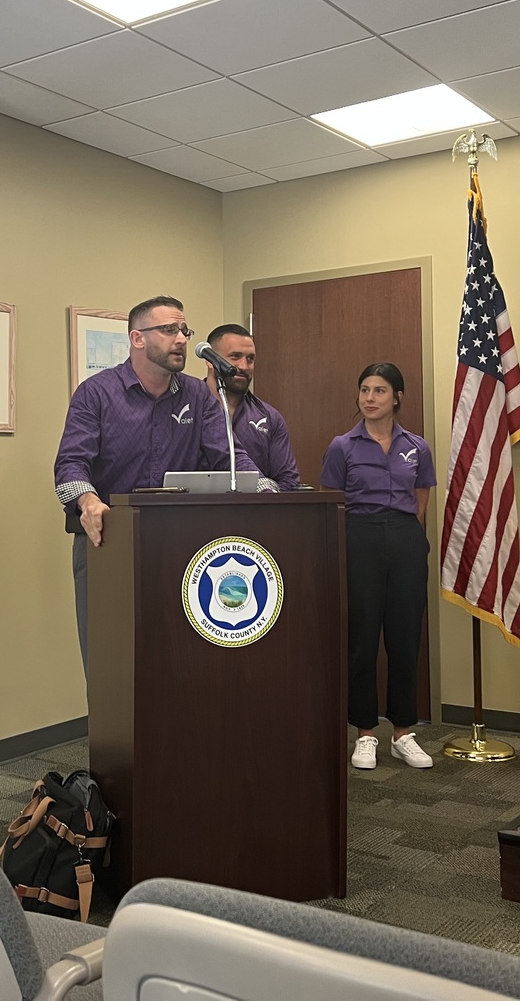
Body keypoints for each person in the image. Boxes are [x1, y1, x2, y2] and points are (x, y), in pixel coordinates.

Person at [54, 296, 264, 674]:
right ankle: (110, 735)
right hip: (108, 540)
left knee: (176, 654)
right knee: (109, 657)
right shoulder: (97, 393)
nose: (181, 339)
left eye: (184, 330)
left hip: (178, 542)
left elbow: (229, 458)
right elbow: (70, 464)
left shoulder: (199, 395)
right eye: (169, 330)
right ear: (137, 338)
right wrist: (87, 501)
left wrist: (266, 489)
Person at [321, 362, 436, 772]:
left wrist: (402, 536)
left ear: (398, 397)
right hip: (359, 538)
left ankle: (403, 732)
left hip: (405, 539)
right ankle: (365, 732)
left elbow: (420, 500)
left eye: (380, 391)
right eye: (364, 390)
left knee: (405, 638)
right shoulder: (342, 446)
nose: (369, 398)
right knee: (363, 637)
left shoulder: (417, 447)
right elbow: (332, 502)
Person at [199, 323, 301, 491]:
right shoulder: (190, 408)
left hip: (254, 512)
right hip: (194, 512)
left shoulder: (269, 417)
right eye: (235, 356)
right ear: (210, 360)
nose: (244, 366)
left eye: (250, 359)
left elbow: (288, 480)